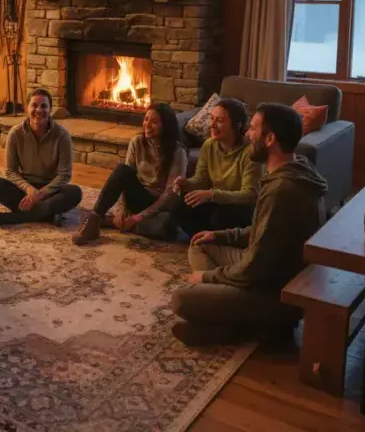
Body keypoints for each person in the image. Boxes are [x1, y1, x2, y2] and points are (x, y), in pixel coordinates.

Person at [169, 103, 328, 345]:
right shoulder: (293, 172)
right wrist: (221, 236)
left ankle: (245, 327)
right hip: (267, 272)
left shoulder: (282, 190)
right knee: (201, 243)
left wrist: (208, 277)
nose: (247, 135)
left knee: (182, 298)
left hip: (275, 289)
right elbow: (261, 233)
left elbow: (254, 269)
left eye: (253, 129)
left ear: (270, 138)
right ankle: (244, 325)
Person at [72, 102, 186, 244]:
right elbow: (123, 179)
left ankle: (113, 222)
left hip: (159, 205)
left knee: (168, 227)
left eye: (154, 122)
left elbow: (169, 195)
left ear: (166, 125)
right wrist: (121, 209)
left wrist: (138, 218)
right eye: (146, 119)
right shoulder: (137, 142)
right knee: (122, 170)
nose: (147, 125)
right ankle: (95, 219)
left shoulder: (178, 152)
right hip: (138, 196)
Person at [0, 89, 82, 226]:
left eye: (44, 106)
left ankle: (19, 217)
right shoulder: (15, 133)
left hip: (51, 190)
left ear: (50, 110)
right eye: (34, 105)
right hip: (25, 189)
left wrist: (41, 194)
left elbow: (64, 175)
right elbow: (10, 171)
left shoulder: (62, 136)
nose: (39, 110)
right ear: (27, 108)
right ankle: (47, 214)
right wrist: (29, 190)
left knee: (75, 192)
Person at [169, 98, 262, 237]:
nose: (212, 125)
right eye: (211, 118)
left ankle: (220, 241)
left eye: (220, 120)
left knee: (220, 216)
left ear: (237, 125)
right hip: (217, 201)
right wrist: (187, 184)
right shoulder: (209, 145)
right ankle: (202, 238)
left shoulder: (250, 152)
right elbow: (202, 179)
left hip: (241, 207)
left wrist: (212, 195)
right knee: (178, 206)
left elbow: (250, 195)